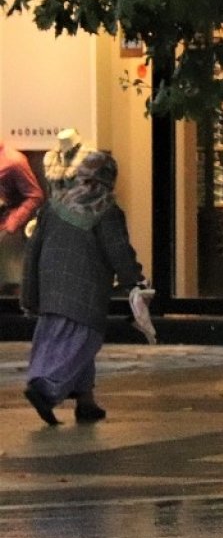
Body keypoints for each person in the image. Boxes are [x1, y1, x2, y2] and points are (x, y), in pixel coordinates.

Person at [21, 152, 147, 426]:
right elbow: (118, 250)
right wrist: (133, 281)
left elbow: (33, 250)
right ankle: (46, 388)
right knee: (80, 343)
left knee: (59, 341)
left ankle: (86, 402)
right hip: (86, 293)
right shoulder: (107, 209)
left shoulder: (54, 206)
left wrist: (29, 293)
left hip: (51, 289)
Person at [0, 138, 46, 294]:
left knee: (9, 285)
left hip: (5, 230)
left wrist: (13, 221)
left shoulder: (13, 161)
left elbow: (35, 195)